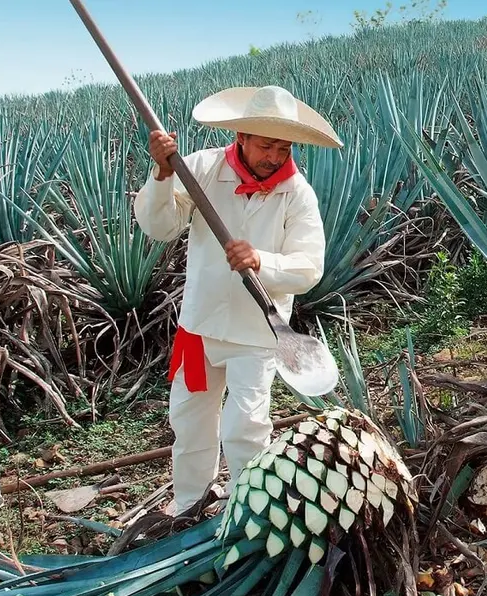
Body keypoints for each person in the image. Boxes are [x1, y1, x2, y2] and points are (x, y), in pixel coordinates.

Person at [133, 85, 341, 515]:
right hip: (200, 327)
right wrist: (162, 173)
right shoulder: (202, 169)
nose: (275, 157)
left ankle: (246, 510)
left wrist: (260, 259)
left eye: (283, 148)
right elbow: (160, 226)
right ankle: (190, 504)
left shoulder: (297, 193)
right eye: (266, 145)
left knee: (246, 425)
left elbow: (309, 267)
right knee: (190, 421)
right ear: (242, 137)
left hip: (259, 333)